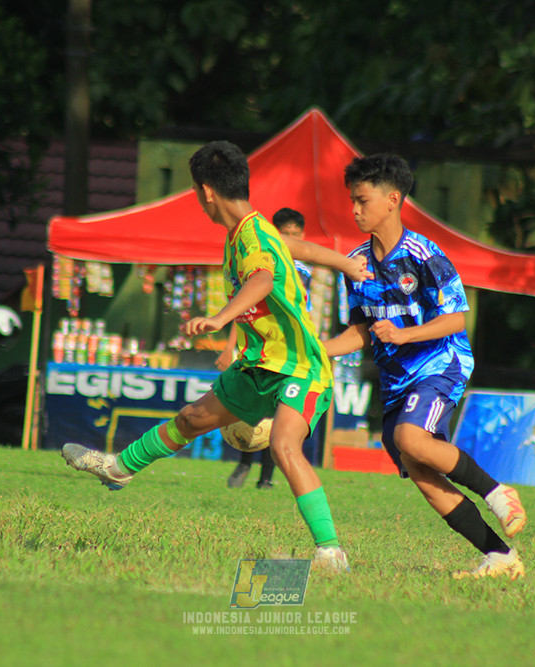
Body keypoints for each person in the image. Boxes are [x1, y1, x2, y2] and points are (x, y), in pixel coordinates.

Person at [61, 141, 371, 572]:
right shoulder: (252, 233)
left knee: (283, 446)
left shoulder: (253, 236)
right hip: (258, 365)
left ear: (206, 192)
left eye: (194, 191)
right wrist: (345, 263)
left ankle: (331, 552)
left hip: (300, 366)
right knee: (190, 419)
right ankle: (120, 468)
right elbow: (295, 251)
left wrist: (221, 316)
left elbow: (262, 278)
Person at [323, 153, 528, 580]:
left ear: (393, 199)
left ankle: (495, 490)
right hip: (396, 381)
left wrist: (403, 335)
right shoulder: (355, 263)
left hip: (440, 364)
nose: (354, 209)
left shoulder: (424, 253)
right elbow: (360, 331)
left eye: (361, 200)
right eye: (351, 200)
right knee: (418, 467)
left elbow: (457, 318)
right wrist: (321, 350)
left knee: (410, 439)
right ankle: (500, 555)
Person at [220, 207, 311, 490]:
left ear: (303, 236)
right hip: (258, 349)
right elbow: (246, 306)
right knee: (248, 408)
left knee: (275, 417)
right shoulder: (258, 261)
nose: (290, 238)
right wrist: (229, 347)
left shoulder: (301, 271)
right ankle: (244, 464)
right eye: (285, 233)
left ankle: (266, 478)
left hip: (287, 353)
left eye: (296, 235)